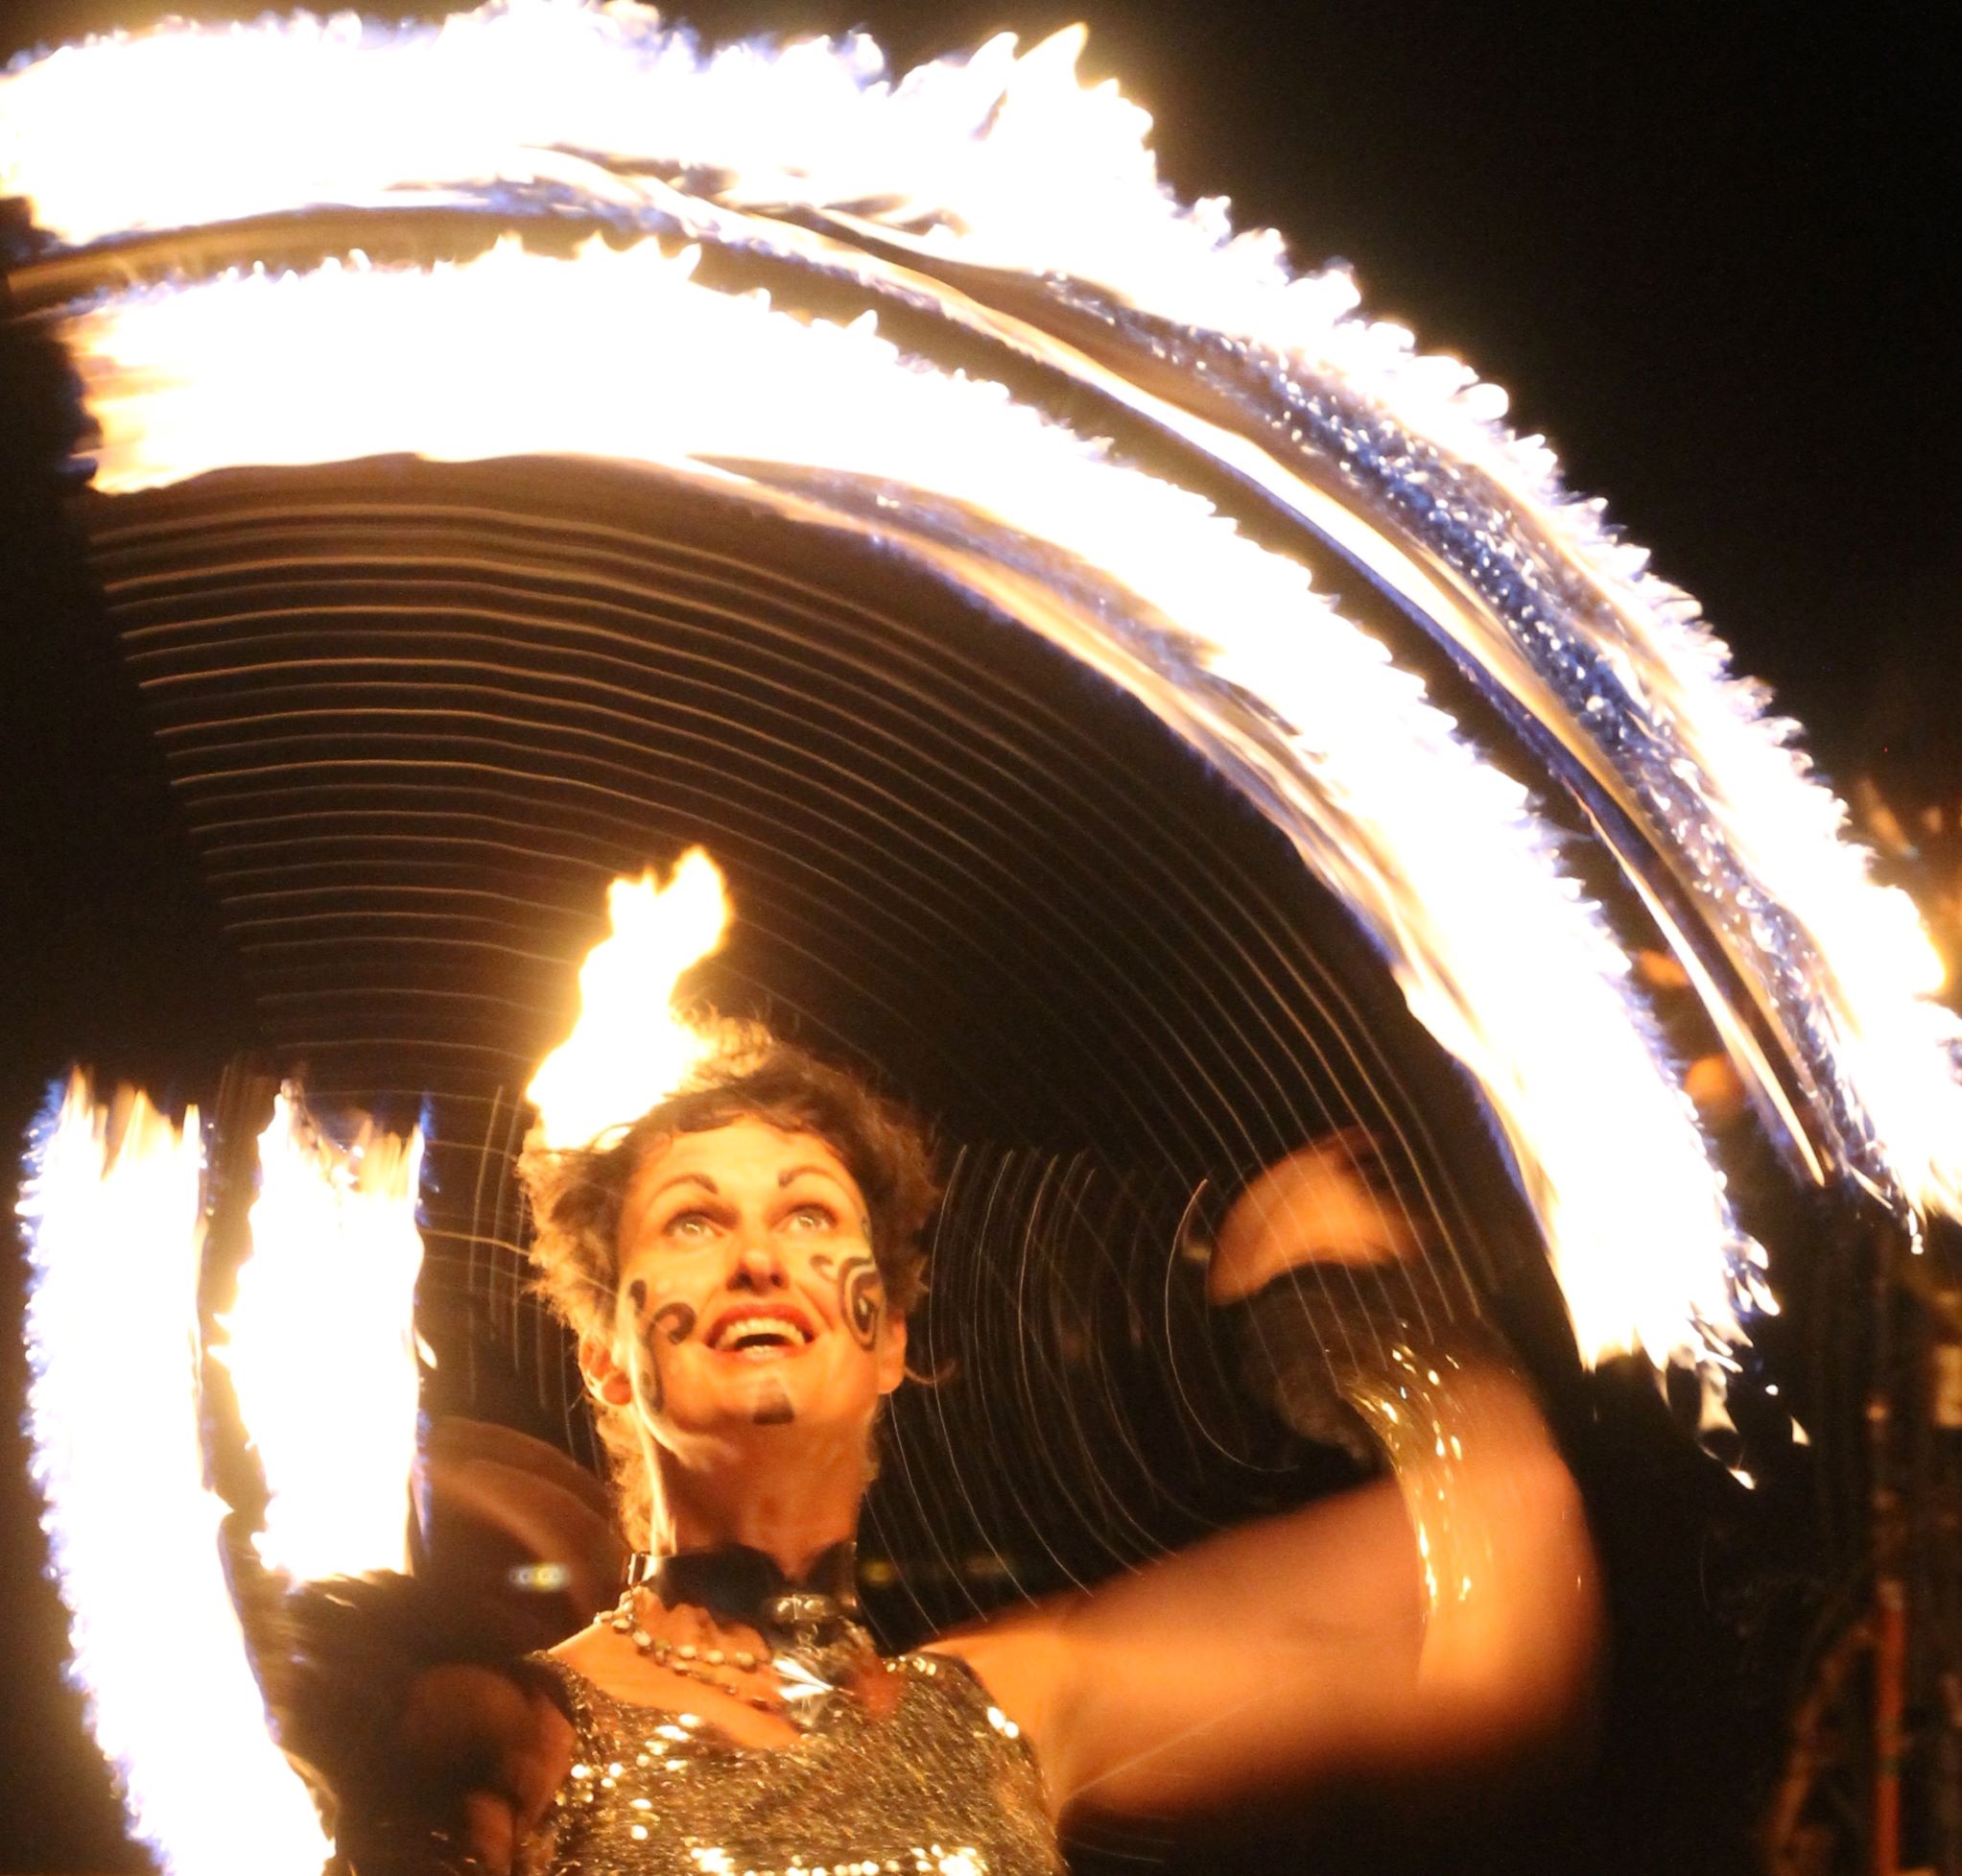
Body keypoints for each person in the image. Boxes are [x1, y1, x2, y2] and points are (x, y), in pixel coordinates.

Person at [304, 1037, 1598, 1876]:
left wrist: (1384, 1343)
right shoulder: (502, 1724)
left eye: (811, 1215)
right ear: (606, 1360)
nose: (760, 1256)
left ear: (889, 1344)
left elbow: (1487, 1632)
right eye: (693, 1223)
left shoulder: (1010, 1706)